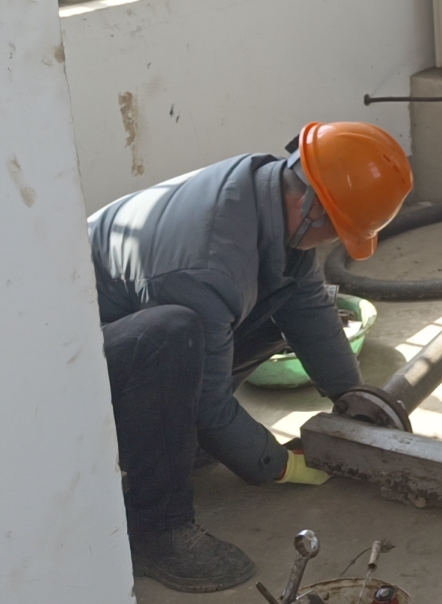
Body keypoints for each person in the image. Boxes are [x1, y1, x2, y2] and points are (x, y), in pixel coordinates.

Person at [91, 121, 413, 592]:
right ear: (312, 206)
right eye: (336, 231)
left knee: (273, 301)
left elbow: (306, 306)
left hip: (129, 331)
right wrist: (278, 464)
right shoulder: (209, 266)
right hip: (72, 369)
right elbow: (209, 402)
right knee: (173, 336)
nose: (332, 243)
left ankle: (182, 441)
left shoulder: (268, 193)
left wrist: (352, 399)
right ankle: (156, 530)